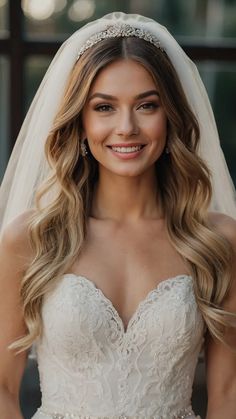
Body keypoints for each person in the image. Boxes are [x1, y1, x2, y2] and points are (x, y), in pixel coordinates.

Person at [0, 11, 236, 419]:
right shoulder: (32, 237)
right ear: (81, 120)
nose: (126, 127)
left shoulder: (217, 241)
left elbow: (228, 396)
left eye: (146, 105)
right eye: (105, 107)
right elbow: (2, 386)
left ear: (171, 116)